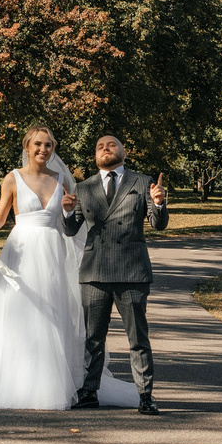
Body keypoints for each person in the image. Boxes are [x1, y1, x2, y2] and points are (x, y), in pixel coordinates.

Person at [0, 127, 139, 410]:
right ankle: (21, 384)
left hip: (53, 252)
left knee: (55, 314)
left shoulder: (62, 178)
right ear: (27, 146)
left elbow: (74, 217)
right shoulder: (12, 179)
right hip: (22, 253)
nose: (44, 149)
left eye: (49, 145)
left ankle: (56, 385)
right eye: (38, 144)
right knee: (22, 315)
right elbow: (0, 218)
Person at [62, 134, 169, 414]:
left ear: (124, 151)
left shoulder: (143, 182)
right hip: (95, 273)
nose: (105, 148)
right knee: (93, 339)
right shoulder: (83, 188)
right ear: (95, 157)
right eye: (99, 146)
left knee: (138, 338)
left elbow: (158, 224)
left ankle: (145, 395)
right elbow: (71, 230)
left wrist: (158, 203)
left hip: (132, 272)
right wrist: (67, 212)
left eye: (111, 145)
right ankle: (89, 391)